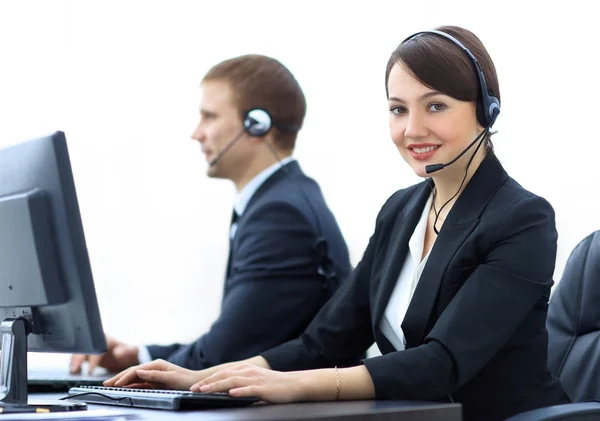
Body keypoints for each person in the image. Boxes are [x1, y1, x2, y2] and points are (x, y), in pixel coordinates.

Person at [103, 27, 571, 420]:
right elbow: (325, 341)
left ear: (486, 110)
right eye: (397, 109)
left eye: (435, 106)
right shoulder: (401, 211)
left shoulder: (521, 218)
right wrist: (204, 378)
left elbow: (442, 362)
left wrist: (294, 386)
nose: (411, 130)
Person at [70, 54, 352, 373]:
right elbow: (232, 341)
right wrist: (139, 355)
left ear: (256, 124)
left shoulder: (280, 215)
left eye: (209, 117)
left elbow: (224, 355)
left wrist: (148, 369)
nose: (197, 133)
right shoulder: (279, 200)